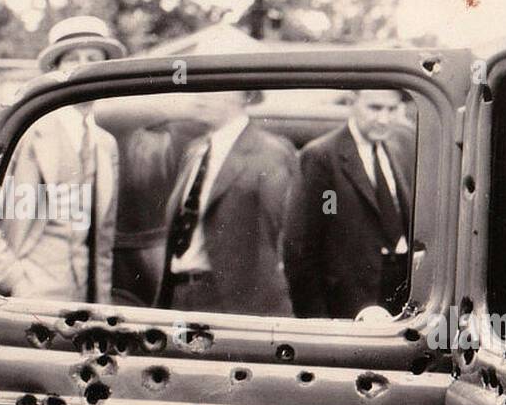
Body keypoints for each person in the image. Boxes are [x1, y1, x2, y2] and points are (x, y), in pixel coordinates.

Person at [0, 15, 124, 302]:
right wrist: (12, 279)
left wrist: (102, 300)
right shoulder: (26, 131)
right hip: (31, 290)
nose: (84, 67)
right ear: (56, 71)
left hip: (83, 296)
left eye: (93, 58)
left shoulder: (106, 144)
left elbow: (104, 240)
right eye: (73, 59)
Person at [153, 90, 299, 315]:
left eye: (215, 89)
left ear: (245, 96)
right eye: (200, 87)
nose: (201, 96)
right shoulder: (195, 150)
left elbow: (281, 238)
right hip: (179, 297)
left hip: (231, 305)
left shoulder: (270, 153)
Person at [283, 89, 416, 319]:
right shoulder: (323, 157)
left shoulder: (398, 147)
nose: (384, 119)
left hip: (399, 293)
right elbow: (302, 247)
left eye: (392, 109)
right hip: (349, 300)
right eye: (374, 108)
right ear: (351, 103)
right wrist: (317, 321)